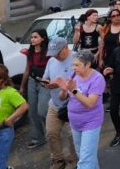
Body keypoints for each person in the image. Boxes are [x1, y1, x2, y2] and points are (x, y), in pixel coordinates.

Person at [57, 50, 106, 169]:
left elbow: (90, 103)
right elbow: (62, 98)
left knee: (85, 160)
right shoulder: (74, 75)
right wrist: (64, 90)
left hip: (90, 122)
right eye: (73, 64)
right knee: (83, 155)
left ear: (88, 64)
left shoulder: (97, 79)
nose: (74, 68)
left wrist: (74, 90)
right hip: (75, 122)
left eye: (77, 65)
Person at [41, 37, 78, 169]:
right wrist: (46, 83)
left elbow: (84, 80)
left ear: (66, 47)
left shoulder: (77, 59)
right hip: (55, 104)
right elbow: (46, 77)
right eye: (53, 53)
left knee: (72, 136)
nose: (55, 56)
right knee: (51, 133)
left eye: (58, 52)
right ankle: (58, 160)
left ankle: (73, 160)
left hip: (72, 105)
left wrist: (63, 85)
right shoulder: (51, 61)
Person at [20, 29, 50, 149]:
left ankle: (51, 131)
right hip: (32, 81)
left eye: (35, 37)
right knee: (32, 112)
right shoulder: (30, 53)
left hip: (44, 82)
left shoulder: (48, 52)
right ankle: (38, 138)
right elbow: (27, 69)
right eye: (32, 37)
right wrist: (22, 86)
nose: (32, 39)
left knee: (42, 111)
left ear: (43, 38)